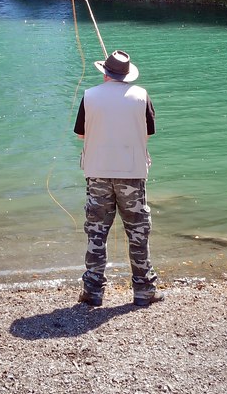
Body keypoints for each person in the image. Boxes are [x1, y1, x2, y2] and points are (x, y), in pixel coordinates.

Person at [73, 48, 162, 308]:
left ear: (105, 74)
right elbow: (148, 133)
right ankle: (144, 291)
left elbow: (81, 135)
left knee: (96, 232)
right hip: (132, 173)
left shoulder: (89, 96)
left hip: (97, 172)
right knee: (138, 233)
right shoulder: (142, 95)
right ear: (126, 75)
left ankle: (93, 291)